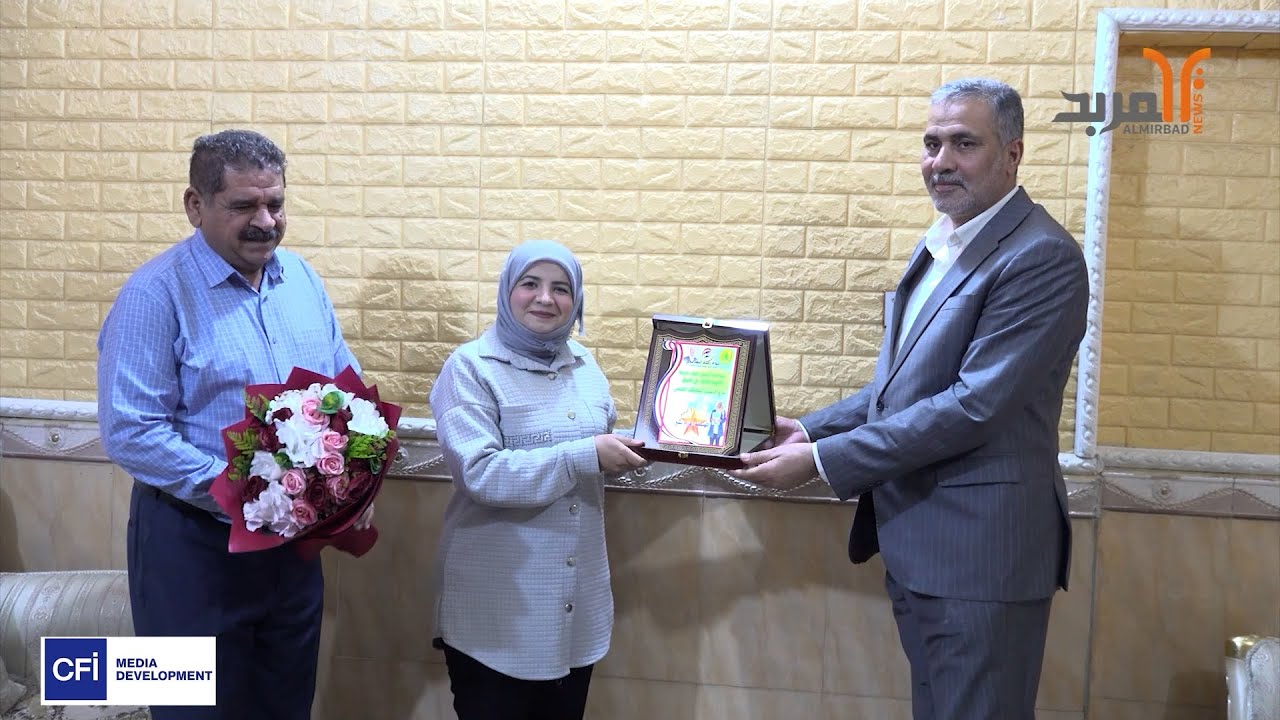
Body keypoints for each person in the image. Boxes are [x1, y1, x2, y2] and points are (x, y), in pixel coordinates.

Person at [733, 78, 1089, 720]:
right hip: (921, 547)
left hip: (982, 560)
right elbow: (905, 385)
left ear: (1012, 153)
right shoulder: (945, 242)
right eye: (931, 143)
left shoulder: (1041, 256)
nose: (940, 161)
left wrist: (823, 462)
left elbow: (973, 405)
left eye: (964, 144)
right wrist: (811, 431)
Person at [97, 129, 361, 720]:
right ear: (196, 206)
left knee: (285, 705)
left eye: (276, 204)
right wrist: (247, 494)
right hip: (193, 546)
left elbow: (344, 390)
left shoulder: (302, 280)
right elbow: (132, 431)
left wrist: (348, 482)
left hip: (291, 547)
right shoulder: (154, 294)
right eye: (244, 206)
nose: (266, 222)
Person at [428, 239, 647, 720]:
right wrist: (585, 455)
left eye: (561, 288)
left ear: (577, 299)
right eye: (530, 283)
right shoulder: (469, 368)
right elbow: (480, 473)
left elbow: (600, 447)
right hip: (497, 613)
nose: (545, 298)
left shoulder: (586, 367)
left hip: (577, 610)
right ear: (508, 290)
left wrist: (659, 443)